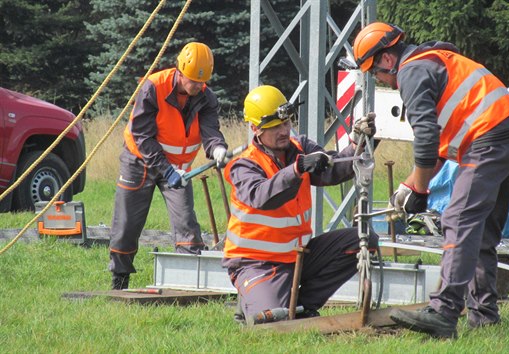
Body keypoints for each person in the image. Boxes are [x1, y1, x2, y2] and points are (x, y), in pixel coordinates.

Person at [353, 23, 509, 338]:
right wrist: (410, 185)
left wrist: (420, 188)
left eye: (373, 71)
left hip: (488, 138)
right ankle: (484, 316)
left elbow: (426, 138)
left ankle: (444, 312)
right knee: (483, 231)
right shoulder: (433, 61)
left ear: (388, 60)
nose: (377, 78)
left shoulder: (411, 72)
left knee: (458, 219)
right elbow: (439, 146)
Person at [222, 85, 380, 325]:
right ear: (255, 129)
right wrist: (297, 169)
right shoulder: (243, 165)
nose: (284, 130)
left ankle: (303, 306)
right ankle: (251, 303)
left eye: (286, 123)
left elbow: (332, 170)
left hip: (297, 255)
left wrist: (357, 144)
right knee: (271, 324)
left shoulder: (301, 147)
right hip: (256, 262)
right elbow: (262, 196)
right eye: (274, 126)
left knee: (363, 240)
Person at [109, 42, 228, 290]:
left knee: (186, 222)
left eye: (201, 82)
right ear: (180, 70)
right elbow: (142, 136)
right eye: (192, 80)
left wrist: (217, 148)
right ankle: (120, 279)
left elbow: (210, 131)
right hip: (139, 161)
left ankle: (191, 281)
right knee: (126, 223)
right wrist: (166, 170)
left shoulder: (206, 97)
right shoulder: (153, 87)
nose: (196, 87)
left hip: (178, 170)